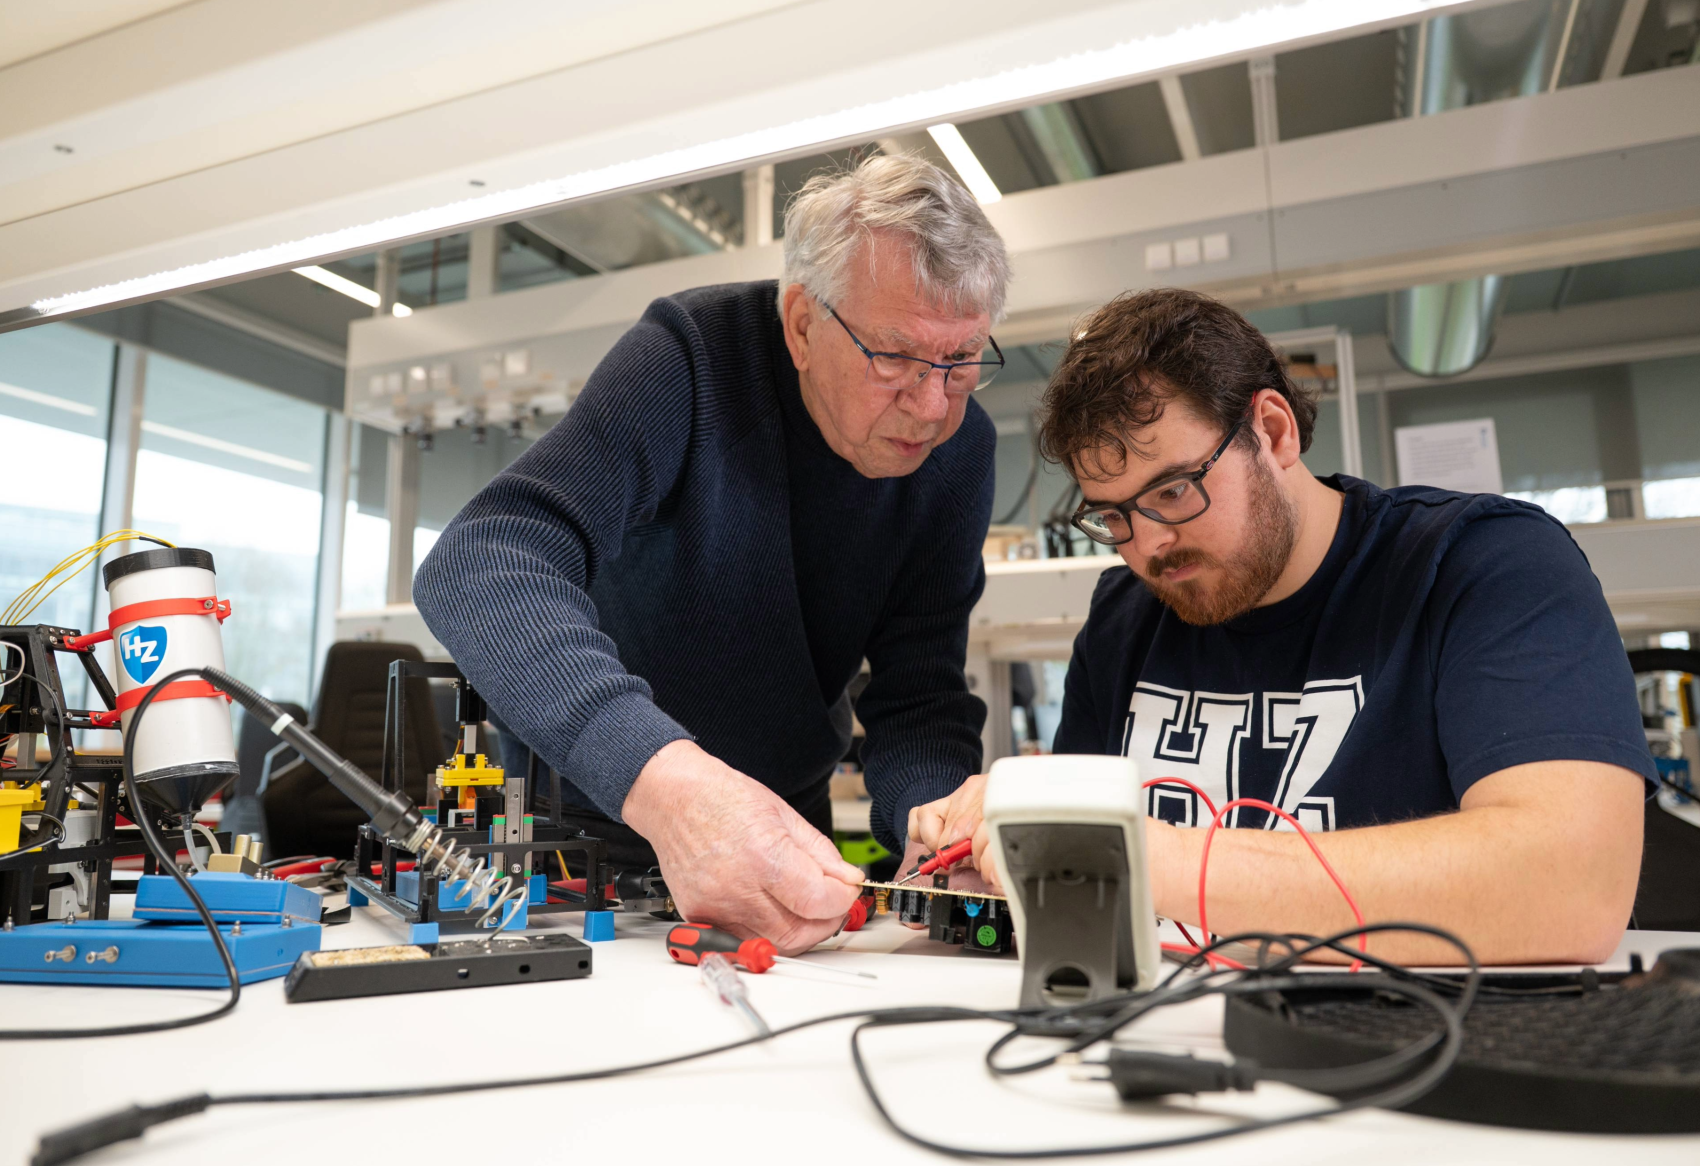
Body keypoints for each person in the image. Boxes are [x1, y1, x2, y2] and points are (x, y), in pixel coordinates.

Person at [910, 288, 1655, 964]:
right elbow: (1080, 904)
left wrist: (1146, 859)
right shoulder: (1125, 618)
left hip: (1411, 1046)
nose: (1149, 546)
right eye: (1113, 516)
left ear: (1272, 430)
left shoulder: (1483, 565)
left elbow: (1573, 887)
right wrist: (996, 871)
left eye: (1173, 490)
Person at [414, 154, 1008, 953]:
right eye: (895, 358)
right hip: (592, 826)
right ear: (803, 325)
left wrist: (939, 839)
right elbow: (482, 557)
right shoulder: (691, 358)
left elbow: (921, 692)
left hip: (787, 823)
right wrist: (669, 785)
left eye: (961, 360)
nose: (932, 406)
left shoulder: (960, 452)